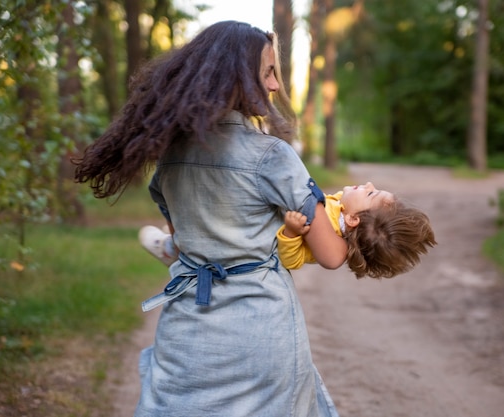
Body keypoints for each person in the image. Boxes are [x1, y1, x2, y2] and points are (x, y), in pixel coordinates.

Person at [74, 21, 346, 417]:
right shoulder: (272, 156)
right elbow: (331, 255)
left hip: (188, 326)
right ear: (238, 75)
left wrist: (181, 247)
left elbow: (184, 242)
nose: (274, 87)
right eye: (268, 73)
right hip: (260, 328)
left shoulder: (171, 154)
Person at [139, 181, 437, 279]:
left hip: (249, 242)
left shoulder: (332, 233)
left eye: (371, 194)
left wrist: (293, 233)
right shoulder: (339, 213)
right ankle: (176, 244)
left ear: (356, 219)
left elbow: (292, 260)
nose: (369, 185)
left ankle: (173, 248)